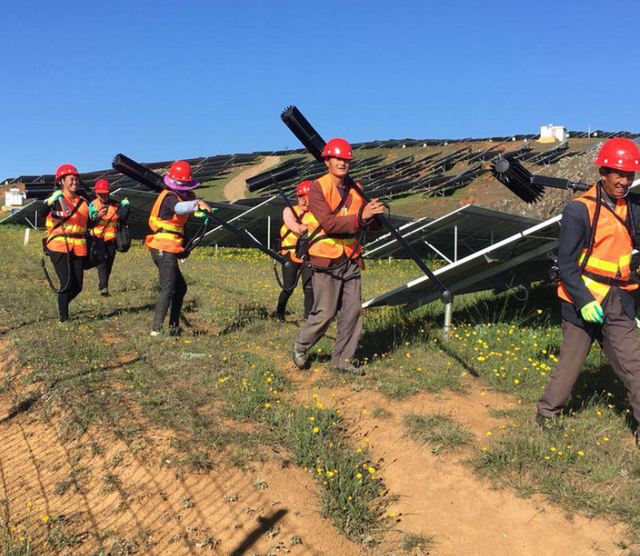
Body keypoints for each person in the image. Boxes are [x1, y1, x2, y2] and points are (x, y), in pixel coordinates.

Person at [537, 138, 640, 445]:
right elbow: (566, 264)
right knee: (569, 367)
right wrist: (583, 302)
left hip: (618, 301)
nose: (624, 181)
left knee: (635, 366)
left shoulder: (633, 209)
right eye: (618, 174)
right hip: (581, 299)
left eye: (630, 175)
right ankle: (546, 414)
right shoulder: (578, 210)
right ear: (603, 172)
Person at [292, 138, 385, 375]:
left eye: (346, 159)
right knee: (325, 312)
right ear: (327, 161)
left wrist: (375, 216)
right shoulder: (317, 188)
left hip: (351, 257)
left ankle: (342, 361)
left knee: (353, 311)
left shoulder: (357, 189)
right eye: (338, 158)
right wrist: (360, 217)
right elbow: (329, 224)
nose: (343, 163)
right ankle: (301, 345)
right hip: (326, 259)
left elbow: (365, 224)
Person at [146, 160, 211, 336]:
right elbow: (179, 208)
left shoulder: (176, 196)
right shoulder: (169, 197)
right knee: (169, 288)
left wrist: (200, 210)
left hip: (169, 247)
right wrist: (198, 203)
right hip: (162, 247)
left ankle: (174, 326)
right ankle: (156, 331)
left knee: (180, 288)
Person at [39, 164, 95, 322]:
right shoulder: (56, 199)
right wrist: (49, 202)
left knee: (78, 286)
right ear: (62, 181)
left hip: (78, 247)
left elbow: (88, 225)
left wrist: (94, 215)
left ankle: (62, 304)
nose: (75, 182)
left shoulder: (83, 202)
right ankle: (63, 317)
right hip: (58, 245)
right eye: (71, 179)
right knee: (66, 282)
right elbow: (42, 213)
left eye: (77, 179)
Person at [275, 180, 314, 320]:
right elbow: (292, 224)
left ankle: (308, 319)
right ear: (298, 198)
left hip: (307, 256)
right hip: (290, 255)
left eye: (309, 198)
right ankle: (279, 313)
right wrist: (301, 228)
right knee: (288, 288)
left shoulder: (314, 214)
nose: (306, 202)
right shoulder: (289, 211)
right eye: (303, 198)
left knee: (309, 289)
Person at [88, 179, 130, 297]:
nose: (103, 197)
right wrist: (97, 217)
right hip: (96, 239)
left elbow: (124, 217)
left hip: (111, 240)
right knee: (101, 263)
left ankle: (104, 284)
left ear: (109, 193)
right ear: (96, 193)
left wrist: (126, 207)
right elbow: (88, 221)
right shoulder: (92, 205)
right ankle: (103, 287)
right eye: (100, 194)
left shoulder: (116, 205)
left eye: (105, 194)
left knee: (109, 263)